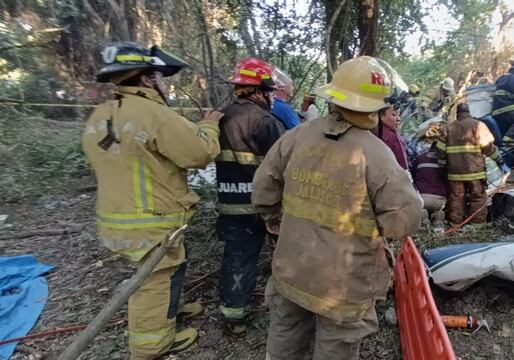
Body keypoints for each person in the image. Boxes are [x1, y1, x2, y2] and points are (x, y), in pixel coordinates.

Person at [252, 56, 423, 360]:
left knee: (284, 337)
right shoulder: (378, 155)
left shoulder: (296, 137)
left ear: (333, 96)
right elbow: (403, 222)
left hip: (292, 268)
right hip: (343, 287)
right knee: (336, 348)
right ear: (376, 106)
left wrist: (275, 221)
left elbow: (263, 191)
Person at [83, 42, 222, 359]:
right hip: (151, 219)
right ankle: (153, 345)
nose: (164, 84)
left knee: (162, 271)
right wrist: (209, 125)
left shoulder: (103, 113)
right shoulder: (152, 113)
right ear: (147, 79)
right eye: (161, 77)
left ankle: (168, 311)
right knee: (155, 280)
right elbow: (199, 153)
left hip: (117, 215)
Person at [215, 58, 285, 334]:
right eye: (269, 93)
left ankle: (233, 318)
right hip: (264, 206)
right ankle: (286, 307)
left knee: (237, 257)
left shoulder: (220, 117)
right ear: (258, 91)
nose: (271, 98)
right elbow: (283, 166)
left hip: (230, 204)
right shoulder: (266, 121)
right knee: (283, 255)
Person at [436, 103, 504, 225]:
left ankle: (455, 225)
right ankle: (477, 225)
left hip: (454, 173)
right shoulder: (478, 126)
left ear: (457, 114)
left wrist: (443, 166)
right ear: (469, 112)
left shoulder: (448, 128)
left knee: (456, 197)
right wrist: (498, 159)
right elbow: (489, 148)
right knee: (477, 197)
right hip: (475, 172)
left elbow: (440, 150)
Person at [411, 129, 447, 229]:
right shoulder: (445, 161)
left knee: (422, 212)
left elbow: (412, 177)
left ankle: (424, 221)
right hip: (439, 200)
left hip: (422, 198)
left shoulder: (419, 158)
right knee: (439, 214)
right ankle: (438, 223)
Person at [373, 105, 409, 169]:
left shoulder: (371, 131)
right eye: (394, 115)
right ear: (382, 115)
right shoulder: (395, 139)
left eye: (399, 114)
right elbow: (403, 166)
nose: (398, 119)